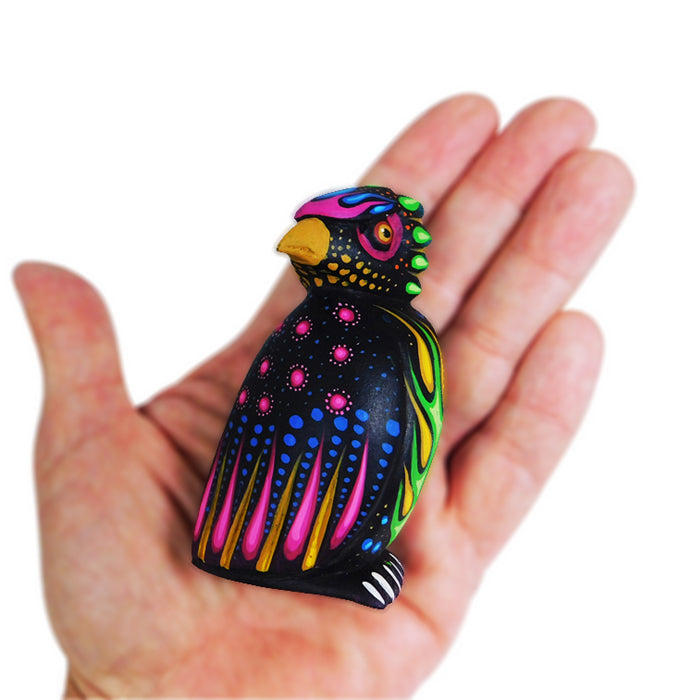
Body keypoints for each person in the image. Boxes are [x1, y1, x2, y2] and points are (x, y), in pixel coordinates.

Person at [15, 94, 633, 698]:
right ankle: (294, 558)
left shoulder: (382, 334)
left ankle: (326, 558)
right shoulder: (323, 331)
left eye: (362, 235)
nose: (312, 242)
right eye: (317, 232)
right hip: (270, 529)